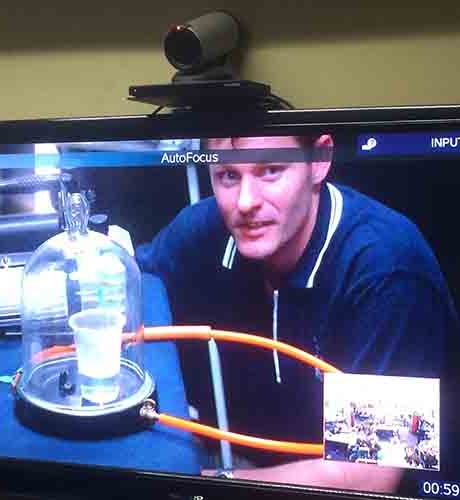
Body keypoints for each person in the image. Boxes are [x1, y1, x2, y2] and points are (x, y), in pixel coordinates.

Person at [136, 135, 458, 492]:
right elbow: (129, 278)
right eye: (228, 175)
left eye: (271, 171)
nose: (245, 202)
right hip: (260, 464)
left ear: (319, 160)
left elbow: (370, 476)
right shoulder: (207, 226)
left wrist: (196, 486)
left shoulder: (388, 271)